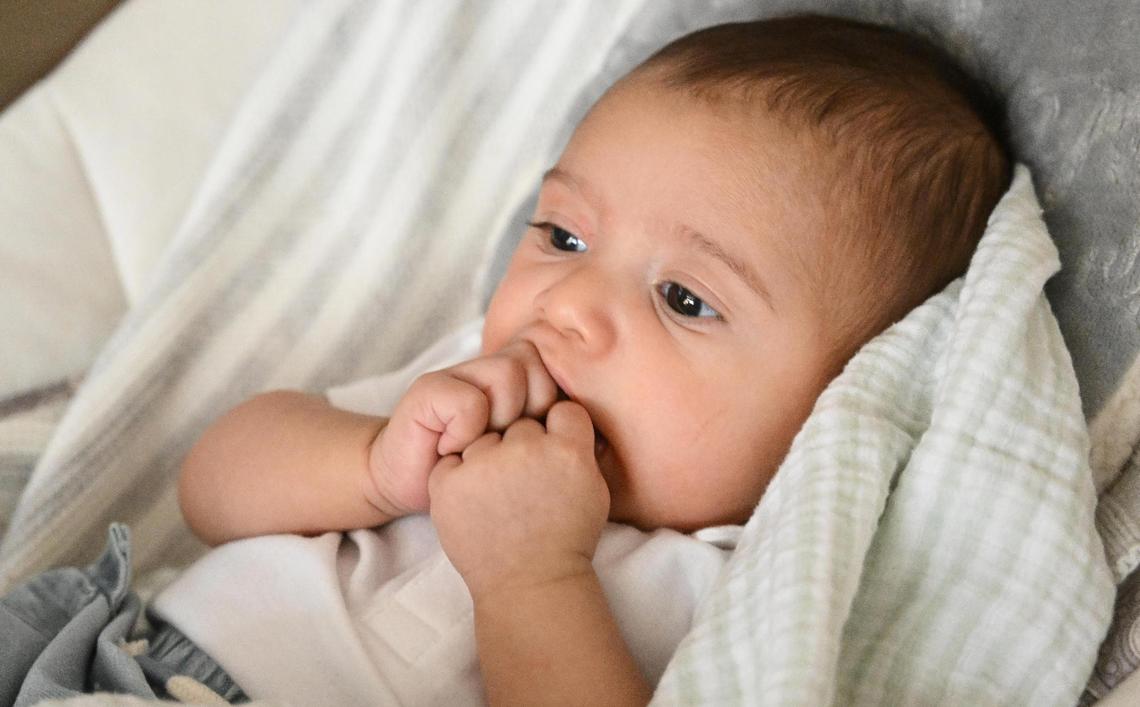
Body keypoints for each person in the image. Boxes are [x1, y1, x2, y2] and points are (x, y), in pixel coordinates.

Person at [159, 13, 1010, 705]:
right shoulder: (463, 389)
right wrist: (374, 466)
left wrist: (531, 576)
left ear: (839, 400)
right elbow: (207, 490)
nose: (565, 302)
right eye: (564, 237)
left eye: (683, 299)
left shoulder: (741, 591)